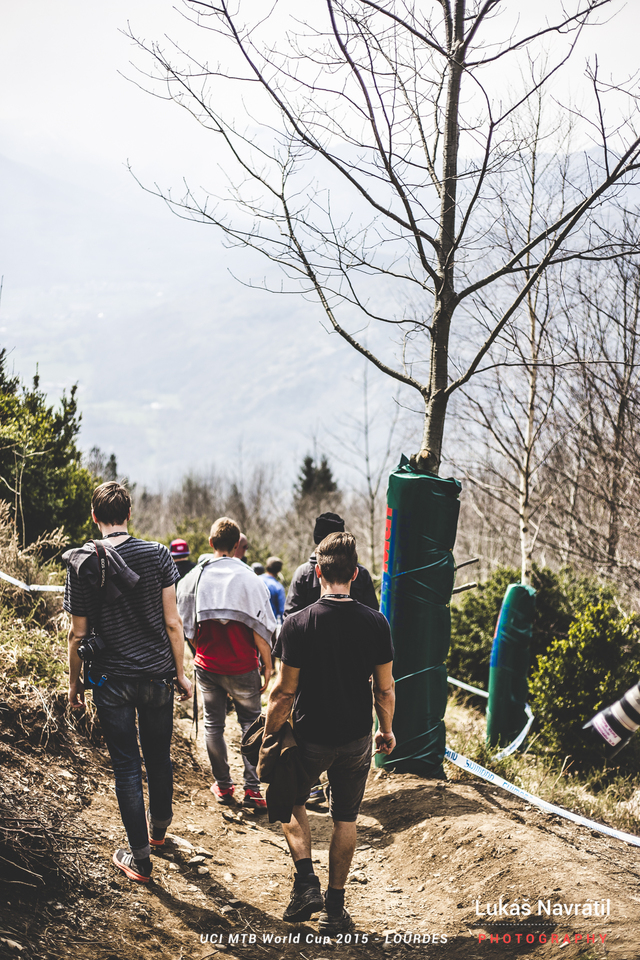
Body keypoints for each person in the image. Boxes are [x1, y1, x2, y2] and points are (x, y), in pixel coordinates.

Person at [263, 532, 395, 933]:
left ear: (317, 572)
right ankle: (334, 911)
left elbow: (284, 693)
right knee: (346, 819)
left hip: (309, 734)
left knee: (290, 800)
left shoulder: (297, 623)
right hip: (356, 737)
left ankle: (306, 882)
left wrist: (270, 734)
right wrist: (386, 730)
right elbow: (385, 689)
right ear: (354, 574)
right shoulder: (376, 623)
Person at [64, 481, 193, 885]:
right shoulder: (158, 554)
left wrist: (74, 685)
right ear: (129, 514)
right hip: (157, 675)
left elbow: (77, 634)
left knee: (126, 768)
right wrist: (180, 673)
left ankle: (140, 860)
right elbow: (173, 622)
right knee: (158, 758)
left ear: (94, 517)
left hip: (111, 680)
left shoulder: (83, 562)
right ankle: (159, 832)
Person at [177, 517, 276, 811]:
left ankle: (223, 785)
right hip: (243, 666)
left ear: (211, 543)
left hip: (207, 666)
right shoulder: (250, 579)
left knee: (213, 725)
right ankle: (253, 790)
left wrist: (200, 649)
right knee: (251, 725)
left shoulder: (192, 579)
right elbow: (261, 631)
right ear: (237, 545)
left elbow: (187, 628)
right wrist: (267, 666)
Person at [284, 513, 379, 616]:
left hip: (310, 626)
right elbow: (372, 613)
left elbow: (291, 615)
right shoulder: (360, 572)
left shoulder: (303, 572)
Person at [261, 557, 286, 626]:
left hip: (253, 623)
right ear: (279, 570)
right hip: (269, 625)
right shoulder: (278, 587)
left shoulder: (257, 579)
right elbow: (282, 610)